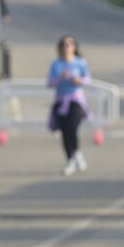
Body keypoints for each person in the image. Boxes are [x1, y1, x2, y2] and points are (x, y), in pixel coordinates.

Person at [48, 35, 91, 177]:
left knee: (72, 127)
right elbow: (50, 83)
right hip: (61, 101)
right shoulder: (56, 64)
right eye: (64, 45)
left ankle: (77, 152)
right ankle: (70, 160)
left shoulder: (80, 62)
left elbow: (87, 79)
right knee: (64, 131)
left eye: (69, 45)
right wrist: (60, 78)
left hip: (76, 100)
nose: (66, 48)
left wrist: (79, 80)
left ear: (74, 47)